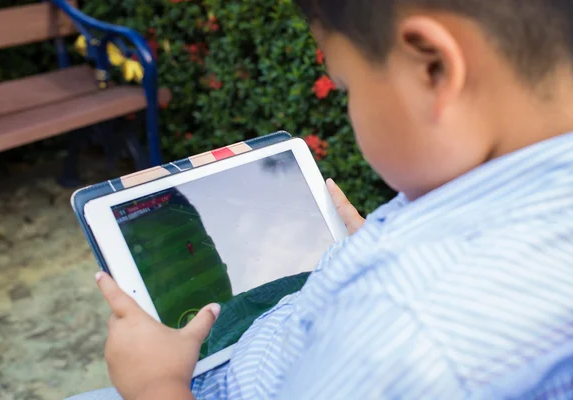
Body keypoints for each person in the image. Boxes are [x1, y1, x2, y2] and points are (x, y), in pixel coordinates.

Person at [70, 1, 573, 399]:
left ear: (433, 70)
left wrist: (156, 385)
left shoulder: (403, 328)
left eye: (348, 86)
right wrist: (380, 246)